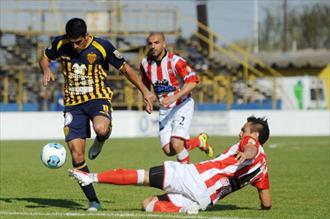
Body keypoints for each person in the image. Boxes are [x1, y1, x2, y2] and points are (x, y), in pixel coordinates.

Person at [39, 18, 156, 211]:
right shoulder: (61, 43)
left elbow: (126, 69)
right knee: (77, 156)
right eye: (72, 42)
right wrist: (46, 69)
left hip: (97, 98)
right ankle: (93, 201)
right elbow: (44, 57)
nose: (75, 46)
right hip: (73, 105)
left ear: (86, 36)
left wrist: (145, 92)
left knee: (101, 128)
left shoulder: (102, 46)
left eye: (78, 41)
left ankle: (101, 139)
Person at [69, 116, 272, 214]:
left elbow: (251, 148)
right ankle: (186, 210)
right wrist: (262, 210)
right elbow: (267, 202)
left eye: (243, 130)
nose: (240, 133)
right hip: (205, 199)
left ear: (254, 134)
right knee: (148, 204)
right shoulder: (263, 170)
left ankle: (91, 177)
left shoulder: (250, 143)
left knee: (143, 176)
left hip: (193, 177)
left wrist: (245, 154)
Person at [139, 32, 214, 164]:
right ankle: (199, 141)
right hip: (164, 109)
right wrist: (147, 98)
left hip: (182, 105)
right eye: (150, 43)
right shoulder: (145, 63)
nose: (153, 46)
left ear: (164, 44)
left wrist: (175, 97)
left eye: (156, 43)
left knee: (176, 143)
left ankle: (186, 178)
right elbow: (145, 83)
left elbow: (193, 81)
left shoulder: (176, 61)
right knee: (168, 150)